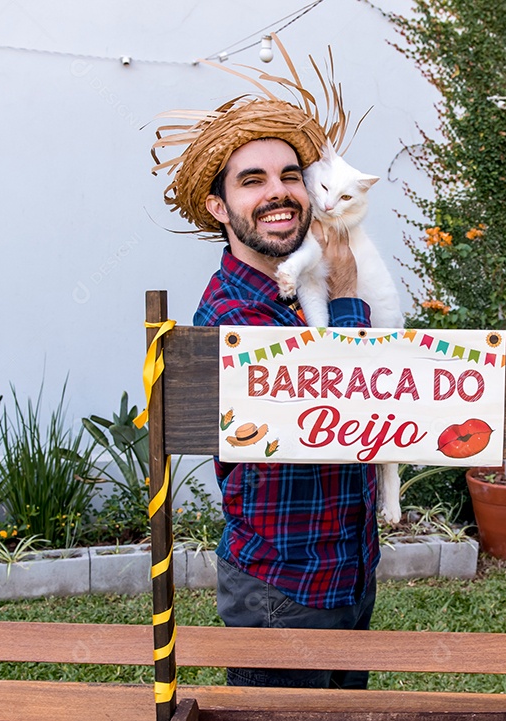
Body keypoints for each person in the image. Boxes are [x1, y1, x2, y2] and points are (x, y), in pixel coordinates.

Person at [152, 96, 379, 689]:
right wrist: (349, 293)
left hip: (349, 570)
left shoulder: (303, 296)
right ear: (218, 207)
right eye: (252, 181)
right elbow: (340, 409)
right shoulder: (234, 314)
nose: (279, 192)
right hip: (282, 586)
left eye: (290, 176)